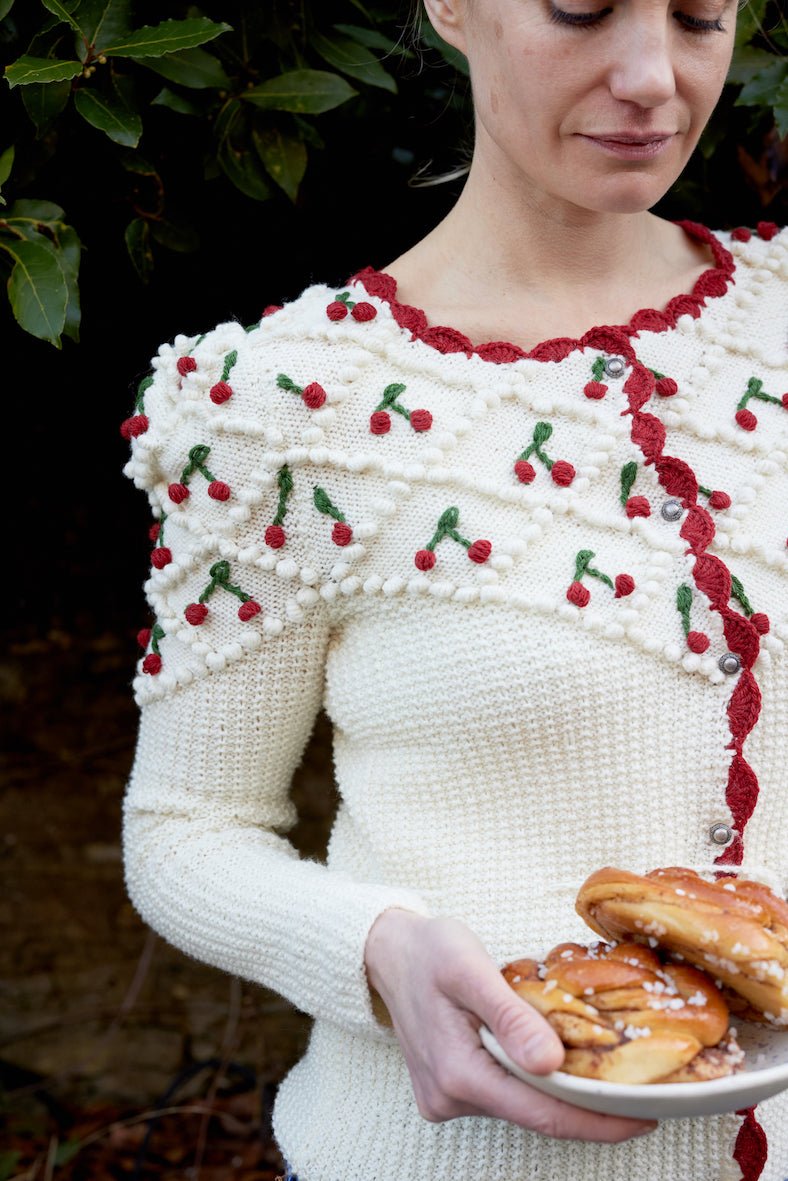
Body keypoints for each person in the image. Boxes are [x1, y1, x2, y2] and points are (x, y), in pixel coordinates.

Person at [121, 0, 787, 1177]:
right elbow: (186, 829)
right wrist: (375, 950)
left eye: (697, 15)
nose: (651, 75)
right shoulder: (283, 404)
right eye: (581, 7)